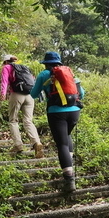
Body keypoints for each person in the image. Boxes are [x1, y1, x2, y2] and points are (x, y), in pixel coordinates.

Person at [30, 51, 84, 191]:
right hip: (74, 111)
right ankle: (69, 166)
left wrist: (44, 87)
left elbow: (33, 94)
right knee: (66, 136)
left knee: (62, 145)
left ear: (46, 64)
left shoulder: (44, 74)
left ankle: (69, 181)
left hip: (56, 113)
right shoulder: (69, 73)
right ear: (59, 62)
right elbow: (81, 93)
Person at [0, 54, 43, 158]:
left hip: (16, 95)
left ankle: (18, 145)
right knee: (28, 121)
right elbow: (32, 80)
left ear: (5, 62)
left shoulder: (6, 67)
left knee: (13, 120)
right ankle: (37, 143)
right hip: (29, 95)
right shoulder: (24, 67)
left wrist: (2, 94)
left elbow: (4, 81)